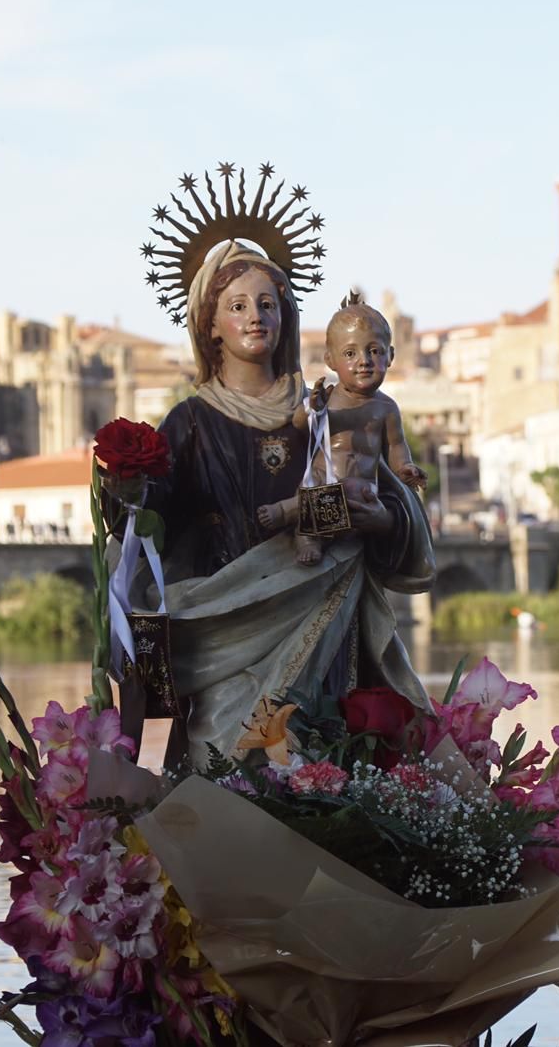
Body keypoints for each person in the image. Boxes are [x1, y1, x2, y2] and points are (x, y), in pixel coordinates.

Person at [111, 236, 434, 760]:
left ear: (286, 316)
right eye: (237, 306)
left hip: (319, 610)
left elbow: (390, 503)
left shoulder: (327, 410)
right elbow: (147, 526)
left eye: (267, 304)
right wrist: (124, 490)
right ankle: (172, 781)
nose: (255, 317)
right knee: (219, 758)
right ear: (210, 325)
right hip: (222, 615)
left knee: (317, 760)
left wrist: (381, 519)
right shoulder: (190, 422)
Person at [257, 291, 426, 565]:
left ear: (390, 356)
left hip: (363, 490)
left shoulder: (386, 408)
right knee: (322, 496)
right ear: (330, 360)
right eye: (350, 353)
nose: (364, 360)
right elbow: (300, 424)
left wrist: (405, 467)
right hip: (324, 479)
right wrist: (312, 409)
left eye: (375, 351)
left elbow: (396, 446)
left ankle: (299, 521)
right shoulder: (328, 399)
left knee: (352, 494)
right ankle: (298, 527)